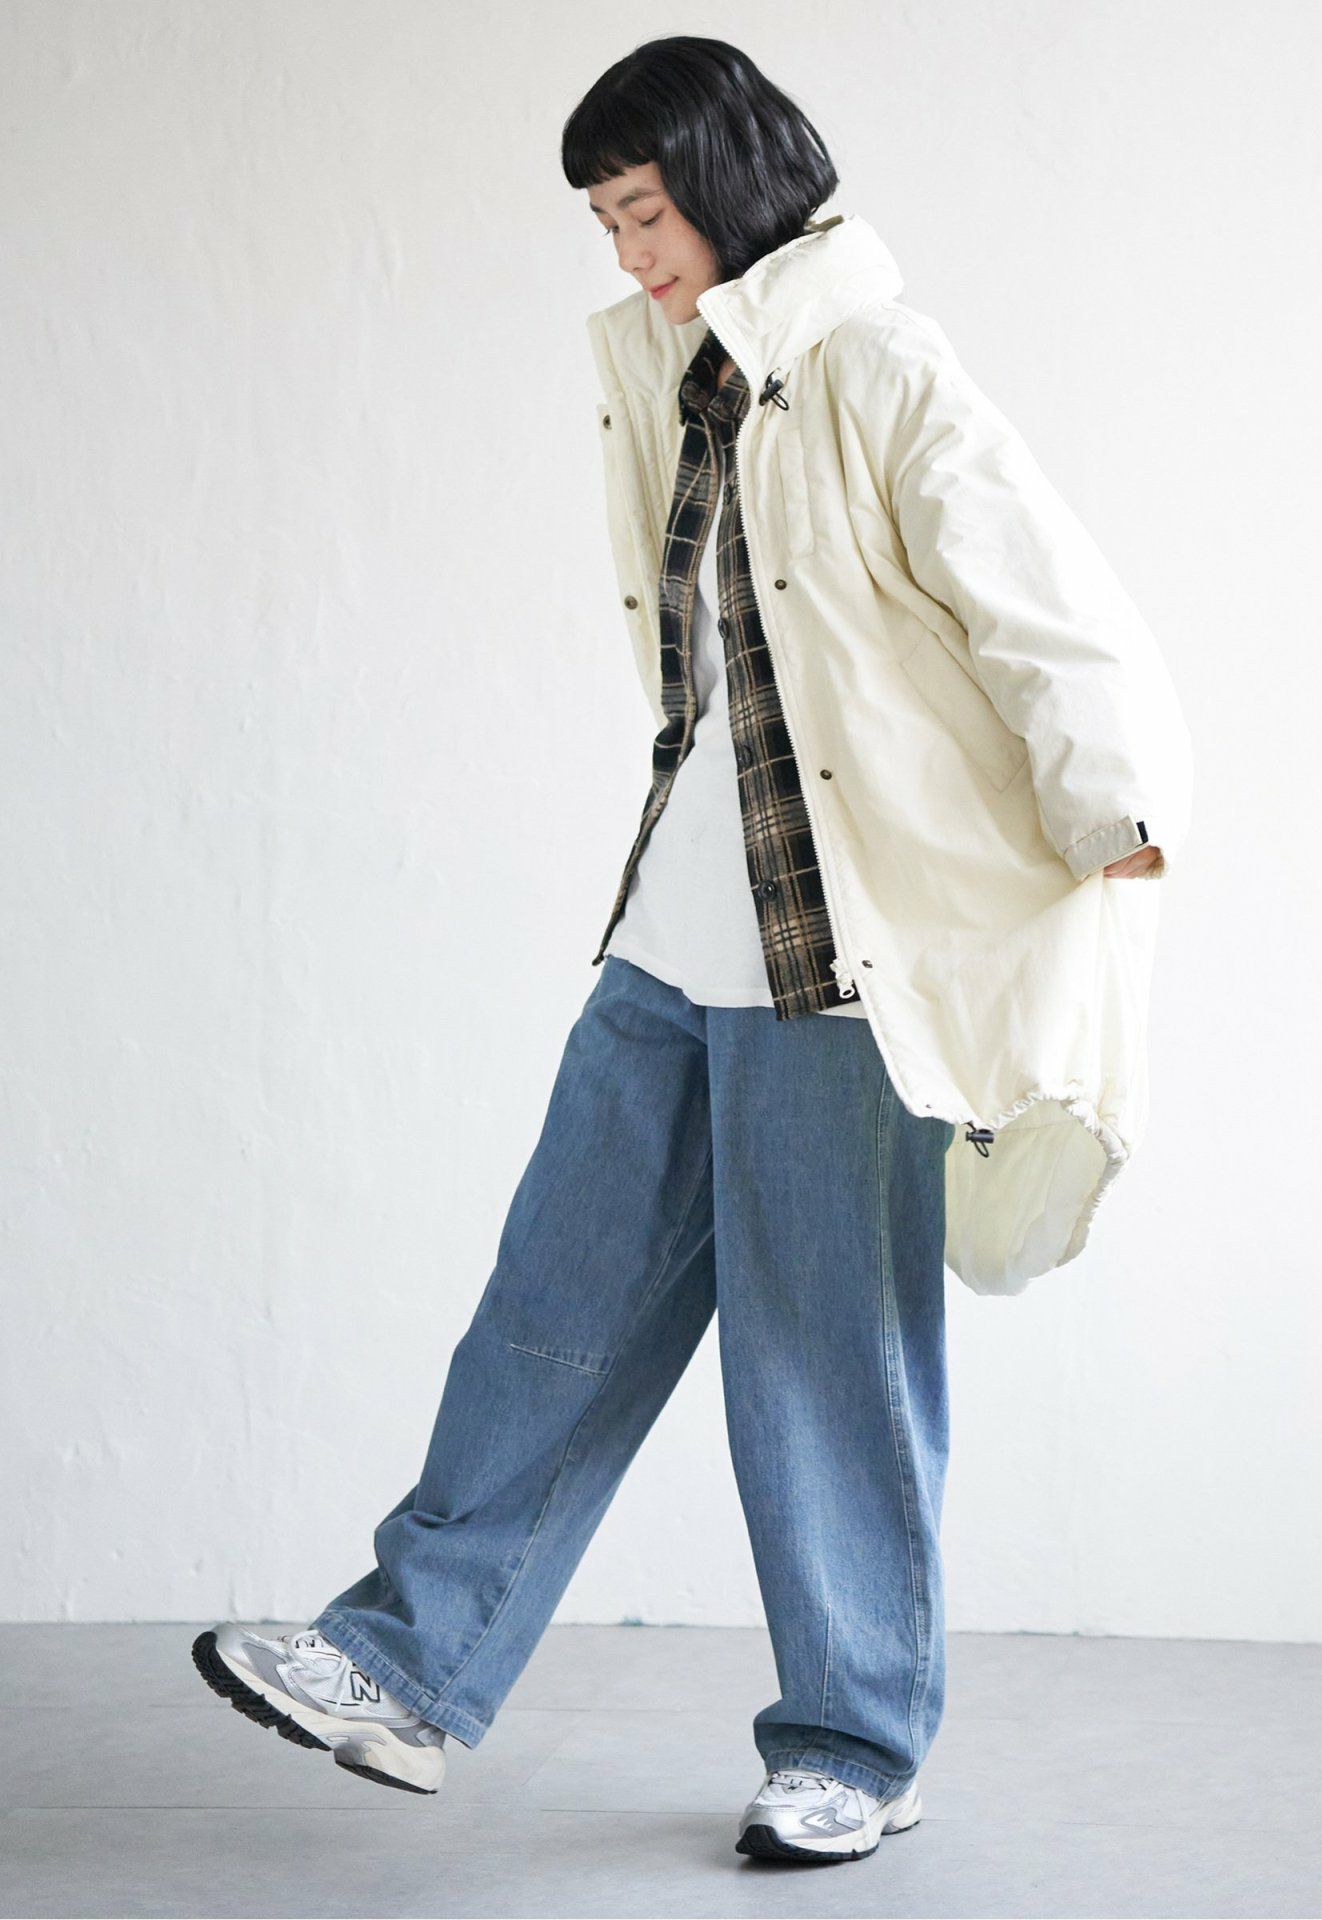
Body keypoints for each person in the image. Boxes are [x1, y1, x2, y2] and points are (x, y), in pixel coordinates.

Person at [192, 34, 1189, 1868]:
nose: (626, 252)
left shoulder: (877, 364)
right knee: (550, 1312)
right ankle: (403, 1669)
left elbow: (1055, 613)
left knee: (826, 1363)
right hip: (675, 931)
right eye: (604, 222)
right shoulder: (686, 374)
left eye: (641, 210)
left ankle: (857, 1744)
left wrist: (1113, 811)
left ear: (726, 180)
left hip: (832, 960)